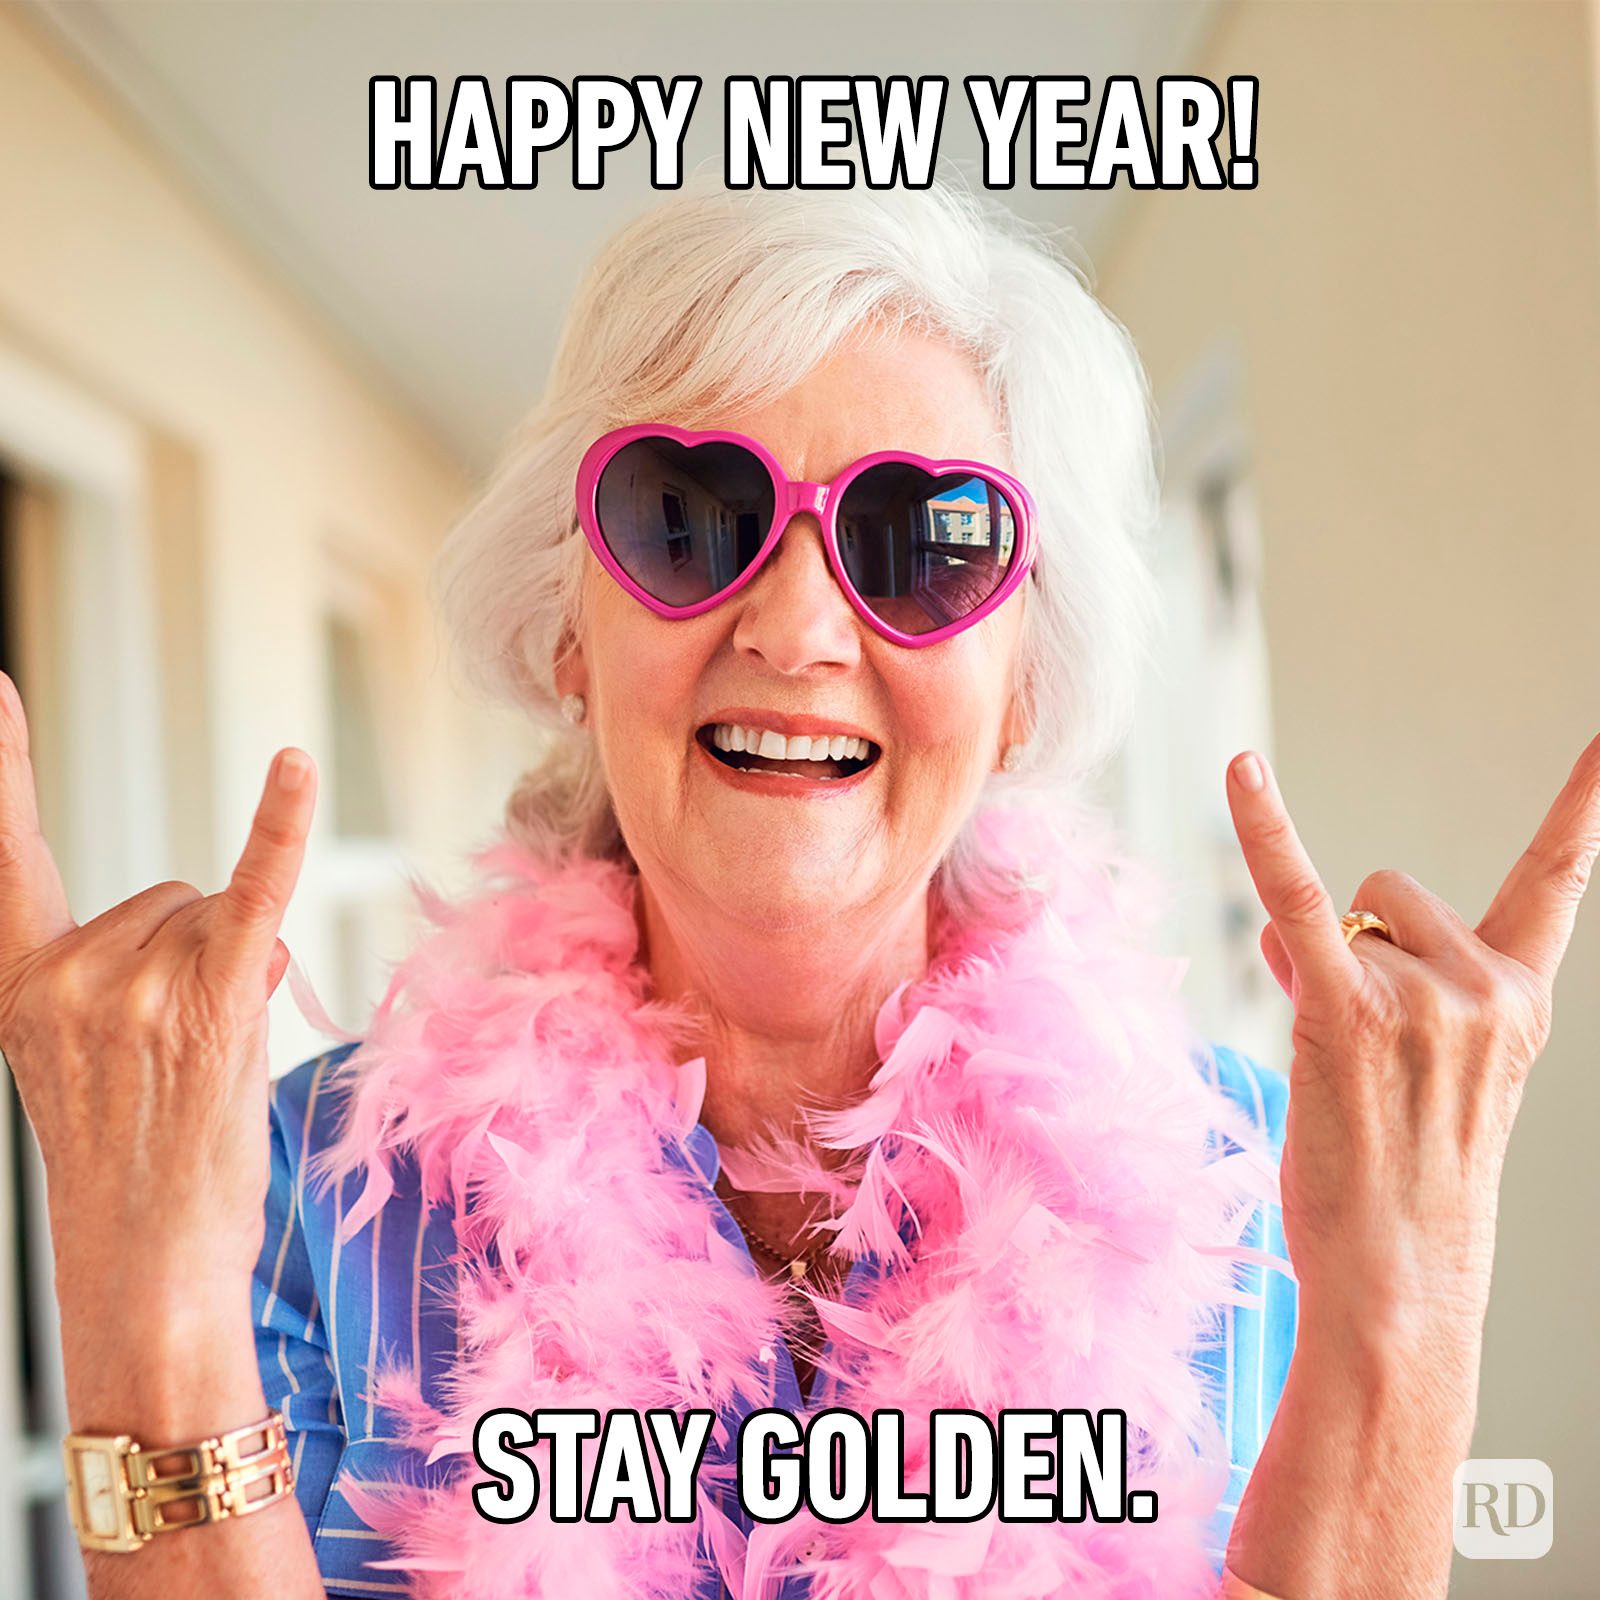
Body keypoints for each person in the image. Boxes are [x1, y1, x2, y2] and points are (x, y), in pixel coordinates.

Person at [0, 182, 1594, 1600]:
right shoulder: (294, 1186)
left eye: (922, 543)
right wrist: (152, 1310)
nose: (799, 628)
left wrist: (1408, 1303)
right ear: (572, 635)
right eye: (688, 519)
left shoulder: (1262, 1192)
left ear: (1024, 682)